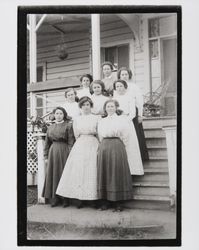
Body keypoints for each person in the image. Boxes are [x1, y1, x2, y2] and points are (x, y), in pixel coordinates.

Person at [56, 97, 99, 208]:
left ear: (91, 106)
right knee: (79, 170)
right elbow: (76, 134)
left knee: (92, 170)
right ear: (80, 107)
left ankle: (92, 199)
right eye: (83, 105)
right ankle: (80, 199)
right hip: (80, 144)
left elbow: (99, 133)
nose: (86, 107)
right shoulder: (77, 119)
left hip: (93, 143)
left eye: (88, 105)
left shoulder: (96, 118)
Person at [97, 99, 134, 212]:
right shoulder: (101, 121)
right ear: (105, 108)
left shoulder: (122, 120)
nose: (110, 108)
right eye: (108, 106)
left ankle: (118, 203)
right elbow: (100, 136)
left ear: (116, 107)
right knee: (105, 172)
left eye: (112, 106)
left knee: (116, 173)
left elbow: (126, 136)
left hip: (117, 145)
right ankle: (105, 202)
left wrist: (122, 147)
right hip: (104, 146)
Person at [42, 107, 75, 207]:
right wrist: (46, 156)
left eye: (61, 113)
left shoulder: (68, 126)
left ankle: (65, 199)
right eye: (57, 113)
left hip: (64, 151)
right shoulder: (50, 127)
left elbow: (71, 142)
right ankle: (55, 198)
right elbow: (47, 143)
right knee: (53, 174)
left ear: (64, 115)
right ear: (54, 115)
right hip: (53, 151)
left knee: (63, 174)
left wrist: (70, 154)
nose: (59, 115)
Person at [117, 67, 149, 162]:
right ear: (119, 76)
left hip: (132, 113)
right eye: (122, 74)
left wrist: (140, 115)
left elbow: (139, 101)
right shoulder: (117, 86)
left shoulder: (134, 86)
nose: (124, 76)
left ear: (129, 75)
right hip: (120, 115)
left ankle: (139, 158)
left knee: (136, 135)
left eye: (126, 74)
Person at [113, 79, 144, 176]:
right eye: (117, 86)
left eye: (121, 86)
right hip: (117, 122)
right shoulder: (114, 99)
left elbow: (133, 113)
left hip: (127, 122)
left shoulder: (130, 98)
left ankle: (133, 169)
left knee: (130, 145)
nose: (119, 88)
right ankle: (120, 169)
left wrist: (124, 120)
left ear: (125, 87)